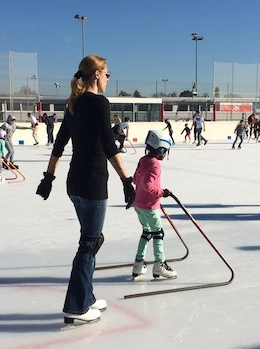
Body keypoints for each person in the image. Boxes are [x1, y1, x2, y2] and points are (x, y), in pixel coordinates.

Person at [35, 55, 135, 324]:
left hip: (74, 183)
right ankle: (76, 306)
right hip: (92, 183)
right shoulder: (98, 103)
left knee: (92, 238)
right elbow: (108, 145)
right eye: (107, 73)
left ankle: (87, 296)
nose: (108, 78)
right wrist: (126, 180)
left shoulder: (74, 104)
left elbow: (59, 144)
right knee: (89, 243)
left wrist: (49, 177)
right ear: (96, 74)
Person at [131, 130, 177, 279]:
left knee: (147, 232)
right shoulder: (155, 164)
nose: (165, 154)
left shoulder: (143, 160)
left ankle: (138, 263)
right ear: (160, 149)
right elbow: (148, 185)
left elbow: (135, 179)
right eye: (165, 151)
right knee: (158, 233)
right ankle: (159, 264)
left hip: (138, 204)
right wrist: (162, 192)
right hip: (149, 206)